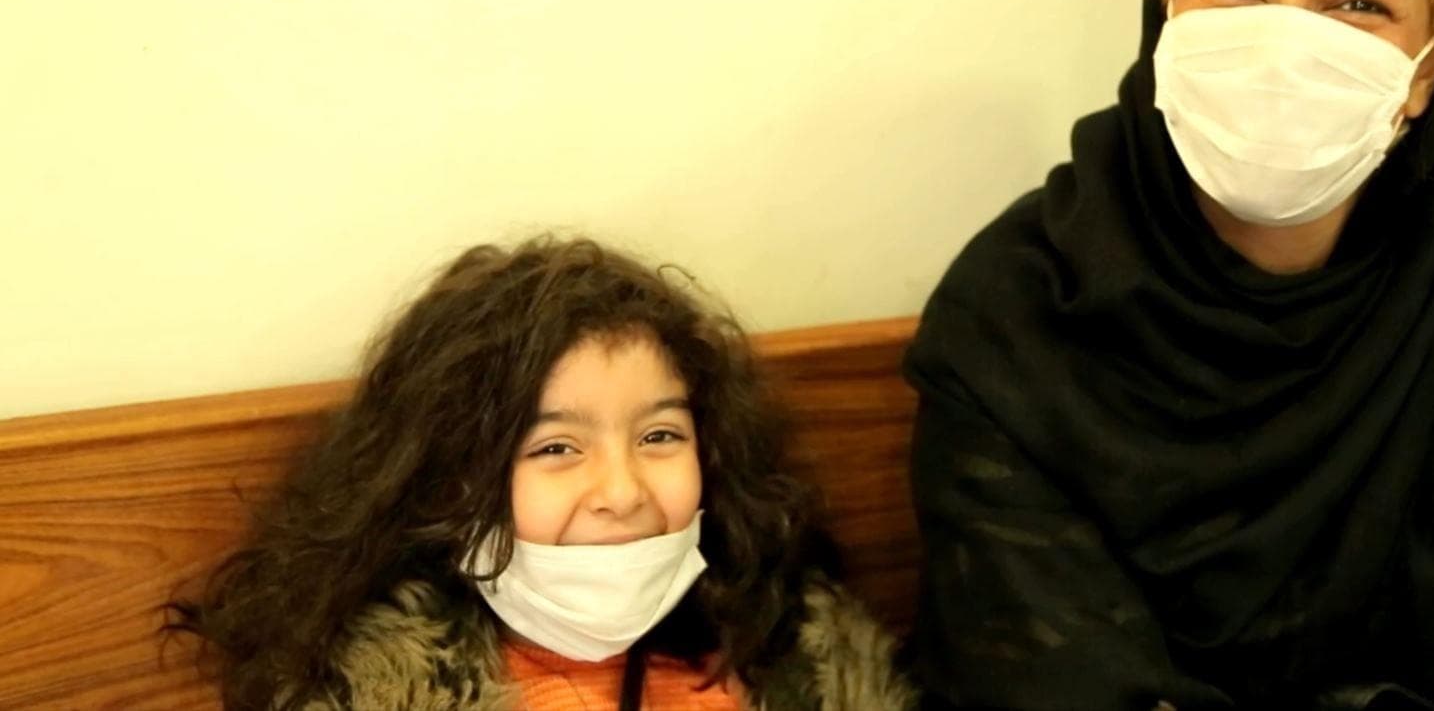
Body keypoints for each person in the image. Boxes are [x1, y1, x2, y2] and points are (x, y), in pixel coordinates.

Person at [904, 0, 1434, 708]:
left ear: (1428, 71)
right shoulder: (1019, 309)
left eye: (1358, 5)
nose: (1284, 46)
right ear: (1166, 12)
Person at [168, 236, 913, 710]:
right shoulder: (369, 690)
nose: (621, 492)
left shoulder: (796, 656)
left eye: (659, 436)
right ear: (455, 485)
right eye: (556, 448)